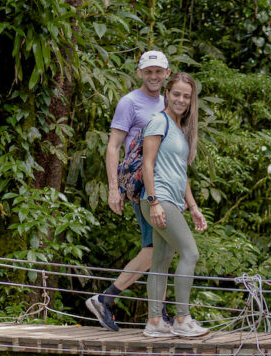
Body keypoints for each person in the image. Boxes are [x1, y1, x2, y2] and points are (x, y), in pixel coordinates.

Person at [85, 50, 171, 331]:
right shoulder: (129, 102)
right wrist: (113, 189)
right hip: (141, 185)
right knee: (156, 247)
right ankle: (107, 298)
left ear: (167, 74)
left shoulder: (169, 102)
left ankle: (158, 314)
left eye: (159, 71)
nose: (154, 76)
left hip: (163, 184)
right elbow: (113, 145)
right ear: (140, 73)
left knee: (160, 249)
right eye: (149, 71)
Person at [139, 73, 210, 338]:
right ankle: (182, 319)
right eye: (177, 94)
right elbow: (148, 163)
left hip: (172, 200)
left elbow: (181, 174)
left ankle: (155, 322)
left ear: (192, 101)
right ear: (167, 94)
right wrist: (154, 201)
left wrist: (193, 207)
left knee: (161, 261)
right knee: (190, 253)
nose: (181, 99)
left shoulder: (180, 129)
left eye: (187, 96)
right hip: (159, 200)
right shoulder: (159, 120)